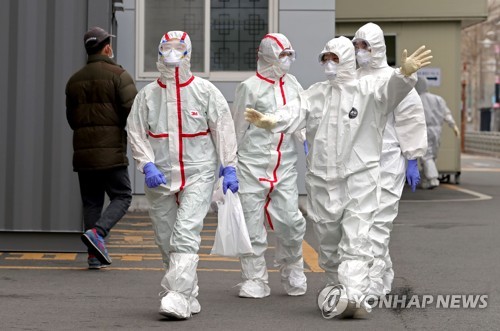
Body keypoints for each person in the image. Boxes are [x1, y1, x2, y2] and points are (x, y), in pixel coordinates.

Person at [245, 36, 431, 317]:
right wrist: (273, 121)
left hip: (359, 177)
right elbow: (295, 110)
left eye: (335, 58)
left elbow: (390, 93)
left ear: (346, 61)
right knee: (329, 245)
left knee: (356, 239)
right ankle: (336, 291)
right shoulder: (316, 93)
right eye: (325, 59)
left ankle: (354, 295)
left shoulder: (367, 90)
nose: (329, 64)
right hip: (322, 180)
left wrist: (403, 75)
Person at [126, 31, 239, 320]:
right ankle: (189, 293)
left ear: (188, 53)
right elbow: (136, 131)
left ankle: (175, 295)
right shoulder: (147, 95)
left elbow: (223, 129)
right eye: (167, 47)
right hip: (160, 177)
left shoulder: (205, 91)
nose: (172, 53)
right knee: (165, 239)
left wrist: (229, 166)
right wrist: (146, 163)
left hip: (198, 173)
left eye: (178, 48)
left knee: (185, 233)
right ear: (159, 51)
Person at [353, 22, 428, 298]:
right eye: (357, 46)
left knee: (380, 221)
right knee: (362, 223)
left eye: (365, 46)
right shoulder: (351, 78)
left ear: (378, 48)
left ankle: (371, 283)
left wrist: (412, 157)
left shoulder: (395, 77)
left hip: (388, 158)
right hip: (358, 161)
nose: (361, 51)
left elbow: (410, 117)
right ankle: (382, 273)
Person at [232, 33, 307, 298]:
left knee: (291, 221)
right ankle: (254, 278)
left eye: (289, 54)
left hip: (284, 165)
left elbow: (300, 115)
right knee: (252, 224)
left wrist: (304, 138)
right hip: (252, 164)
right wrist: (229, 164)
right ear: (267, 56)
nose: (286, 60)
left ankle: (292, 267)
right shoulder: (249, 87)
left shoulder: (293, 84)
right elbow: (237, 128)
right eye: (281, 55)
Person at [65, 26, 137, 269]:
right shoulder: (119, 75)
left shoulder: (74, 80)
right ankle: (99, 232)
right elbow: (133, 114)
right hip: (111, 153)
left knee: (92, 202)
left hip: (84, 154)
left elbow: (72, 120)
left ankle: (94, 255)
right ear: (106, 47)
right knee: (123, 195)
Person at [415, 76, 460, 189]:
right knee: (432, 155)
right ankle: (426, 180)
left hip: (423, 130)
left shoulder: (416, 99)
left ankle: (433, 179)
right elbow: (446, 113)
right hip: (437, 130)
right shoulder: (438, 99)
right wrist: (453, 125)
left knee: (426, 156)